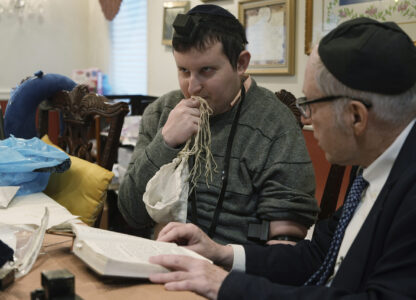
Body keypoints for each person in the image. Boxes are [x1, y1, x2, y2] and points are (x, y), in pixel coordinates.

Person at [148, 17, 416, 299]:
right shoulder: (372, 167)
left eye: (309, 103)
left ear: (356, 116)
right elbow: (318, 256)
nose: (305, 117)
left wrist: (226, 286)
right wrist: (221, 253)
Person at [118, 4, 318, 245]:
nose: (192, 87)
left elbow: (285, 244)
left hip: (234, 271)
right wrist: (166, 142)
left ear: (241, 63)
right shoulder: (161, 112)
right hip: (163, 262)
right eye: (183, 70)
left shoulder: (274, 123)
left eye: (207, 70)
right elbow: (131, 213)